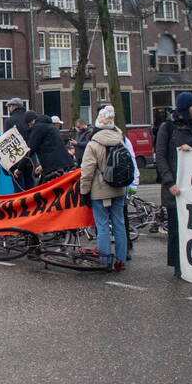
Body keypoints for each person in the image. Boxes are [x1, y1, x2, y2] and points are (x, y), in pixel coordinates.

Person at [155, 91, 192, 276]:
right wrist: (169, 182)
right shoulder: (168, 128)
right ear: (185, 109)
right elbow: (161, 157)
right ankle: (179, 265)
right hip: (176, 187)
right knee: (176, 229)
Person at [79, 106, 129, 271]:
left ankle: (105, 261)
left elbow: (87, 173)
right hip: (120, 189)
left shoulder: (93, 145)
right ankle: (121, 260)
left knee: (102, 226)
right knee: (119, 224)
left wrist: (84, 192)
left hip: (100, 191)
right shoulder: (120, 139)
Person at [26, 111, 76, 183]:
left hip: (53, 167)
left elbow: (32, 148)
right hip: (62, 164)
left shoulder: (39, 128)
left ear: (31, 122)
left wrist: (20, 168)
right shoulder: (52, 129)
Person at [7, 98, 34, 190]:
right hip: (30, 156)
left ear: (15, 106)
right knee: (30, 184)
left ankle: (21, 203)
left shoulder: (10, 120)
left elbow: (8, 141)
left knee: (19, 187)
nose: (9, 108)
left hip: (16, 158)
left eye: (10, 106)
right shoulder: (29, 118)